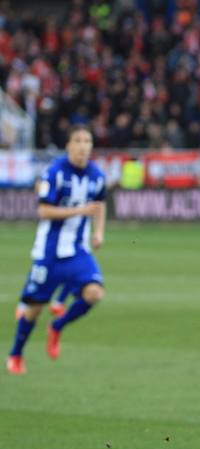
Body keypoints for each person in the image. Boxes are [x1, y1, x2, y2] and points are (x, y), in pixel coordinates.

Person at [7, 125, 107, 375]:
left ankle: (57, 326)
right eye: (78, 140)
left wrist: (98, 232)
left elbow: (100, 204)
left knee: (94, 293)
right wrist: (80, 211)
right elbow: (43, 211)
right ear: (68, 145)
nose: (84, 146)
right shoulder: (54, 172)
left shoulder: (97, 175)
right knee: (33, 310)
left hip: (78, 251)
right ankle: (16, 354)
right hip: (49, 253)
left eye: (88, 140)